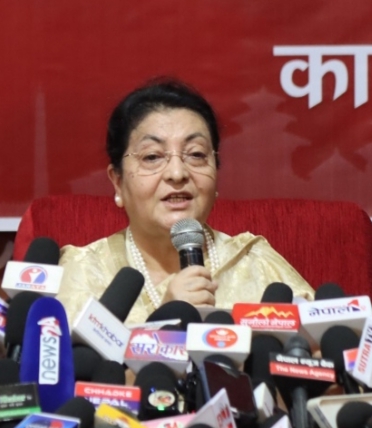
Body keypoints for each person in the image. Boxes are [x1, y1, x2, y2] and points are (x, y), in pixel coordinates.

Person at [57, 79, 314, 326]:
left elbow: (319, 345)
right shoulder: (84, 273)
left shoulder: (255, 263)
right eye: (152, 157)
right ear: (117, 182)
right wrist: (166, 319)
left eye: (196, 154)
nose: (177, 173)